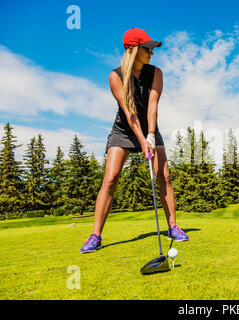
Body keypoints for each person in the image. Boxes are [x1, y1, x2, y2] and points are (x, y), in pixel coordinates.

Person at [81, 28, 189, 254]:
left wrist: (150, 135)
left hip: (150, 127)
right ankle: (95, 235)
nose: (151, 52)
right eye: (147, 48)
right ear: (132, 49)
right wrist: (140, 139)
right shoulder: (116, 76)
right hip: (123, 130)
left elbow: (152, 106)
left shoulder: (156, 72)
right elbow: (129, 111)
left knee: (164, 175)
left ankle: (173, 227)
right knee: (110, 179)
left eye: (151, 48)